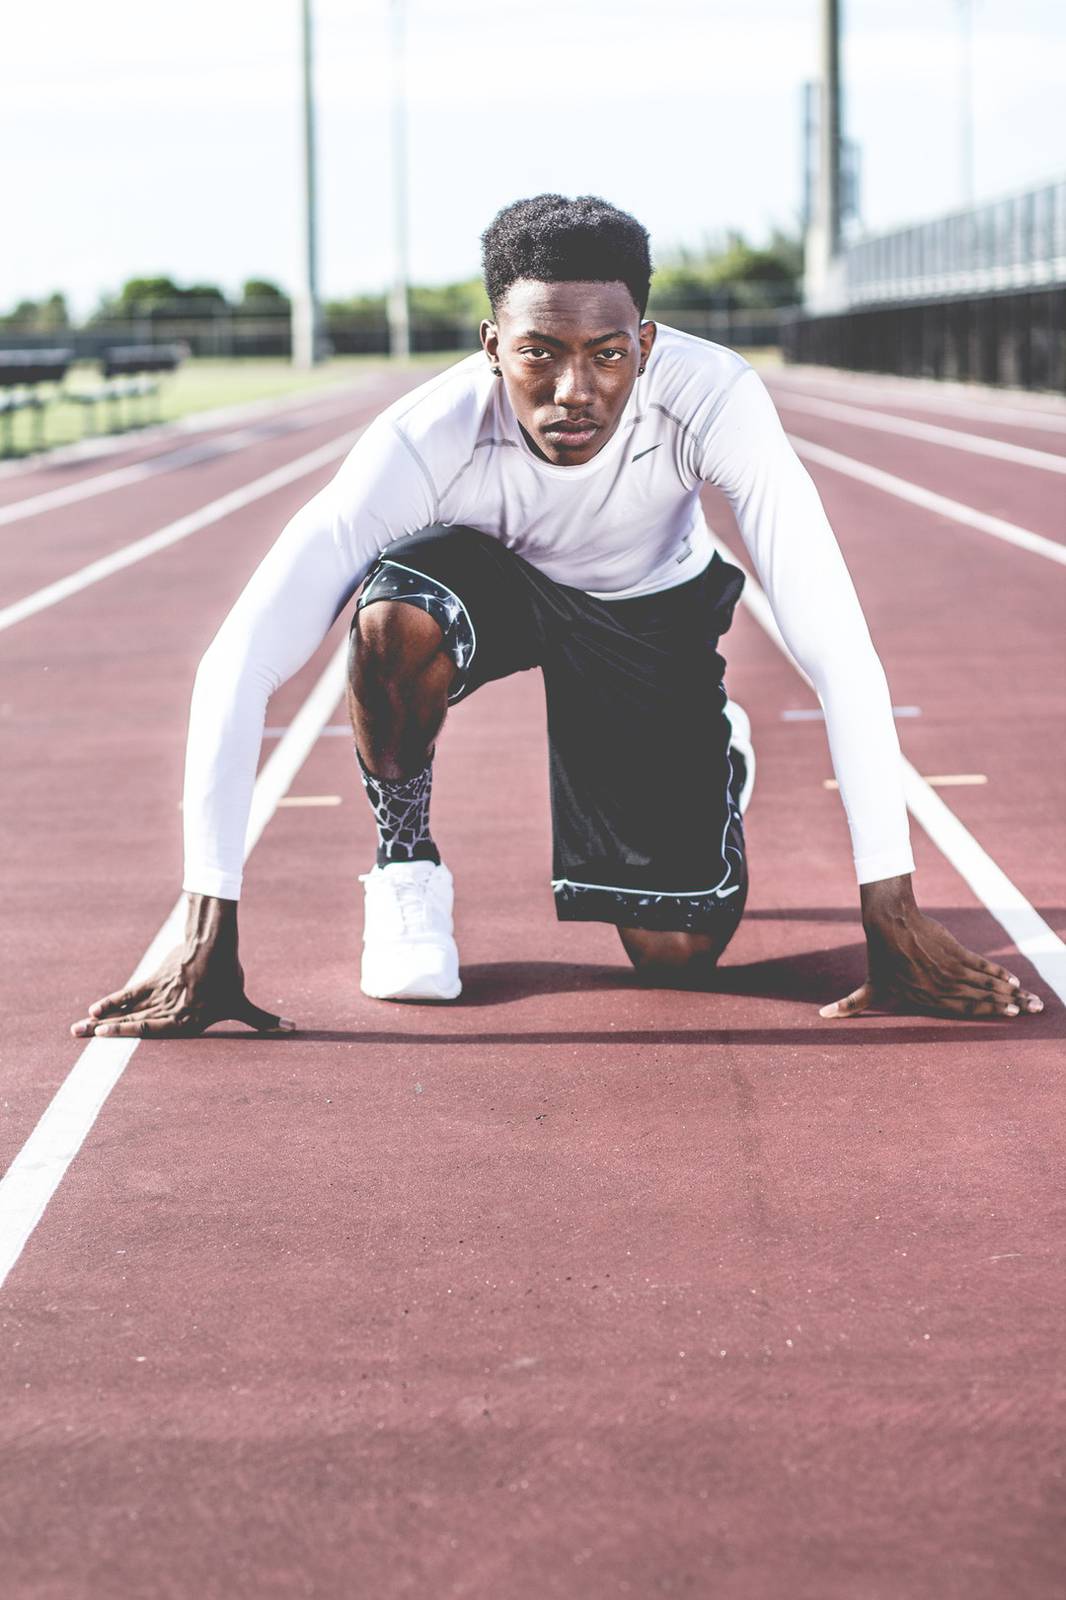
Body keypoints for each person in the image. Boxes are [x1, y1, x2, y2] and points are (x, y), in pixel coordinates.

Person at [71, 195, 1042, 1038]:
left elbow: (835, 646)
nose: (573, 392)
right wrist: (205, 928)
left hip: (646, 609)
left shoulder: (714, 398)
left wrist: (890, 909)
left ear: (645, 346)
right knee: (392, 618)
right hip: (496, 588)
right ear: (492, 345)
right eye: (538, 352)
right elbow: (241, 658)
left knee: (674, 955)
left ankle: (721, 759)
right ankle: (406, 869)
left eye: (606, 355)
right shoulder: (425, 438)